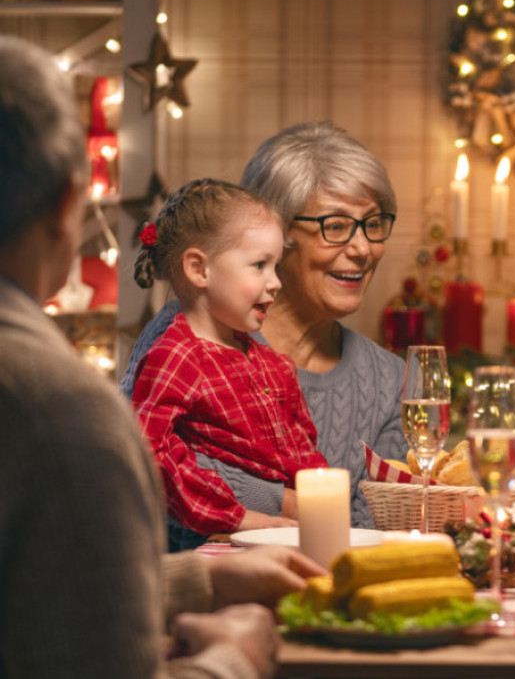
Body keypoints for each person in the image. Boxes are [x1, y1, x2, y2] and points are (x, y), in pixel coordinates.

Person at [0, 34, 326, 678]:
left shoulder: (262, 359)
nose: (273, 282)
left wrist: (201, 582)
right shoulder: (57, 410)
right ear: (67, 202)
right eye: (258, 264)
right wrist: (237, 657)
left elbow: (38, 597)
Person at [123, 122, 407, 533]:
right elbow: (139, 461)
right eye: (336, 226)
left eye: (374, 223)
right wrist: (286, 503)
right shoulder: (185, 333)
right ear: (277, 234)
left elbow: (372, 530)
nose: (363, 248)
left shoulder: (390, 381)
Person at [131, 178, 329, 546]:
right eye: (259, 265)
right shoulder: (176, 356)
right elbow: (147, 451)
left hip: (290, 535)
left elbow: (304, 451)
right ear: (199, 269)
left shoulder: (271, 363)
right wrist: (237, 517)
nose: (276, 282)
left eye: (276, 266)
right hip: (217, 541)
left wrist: (323, 502)